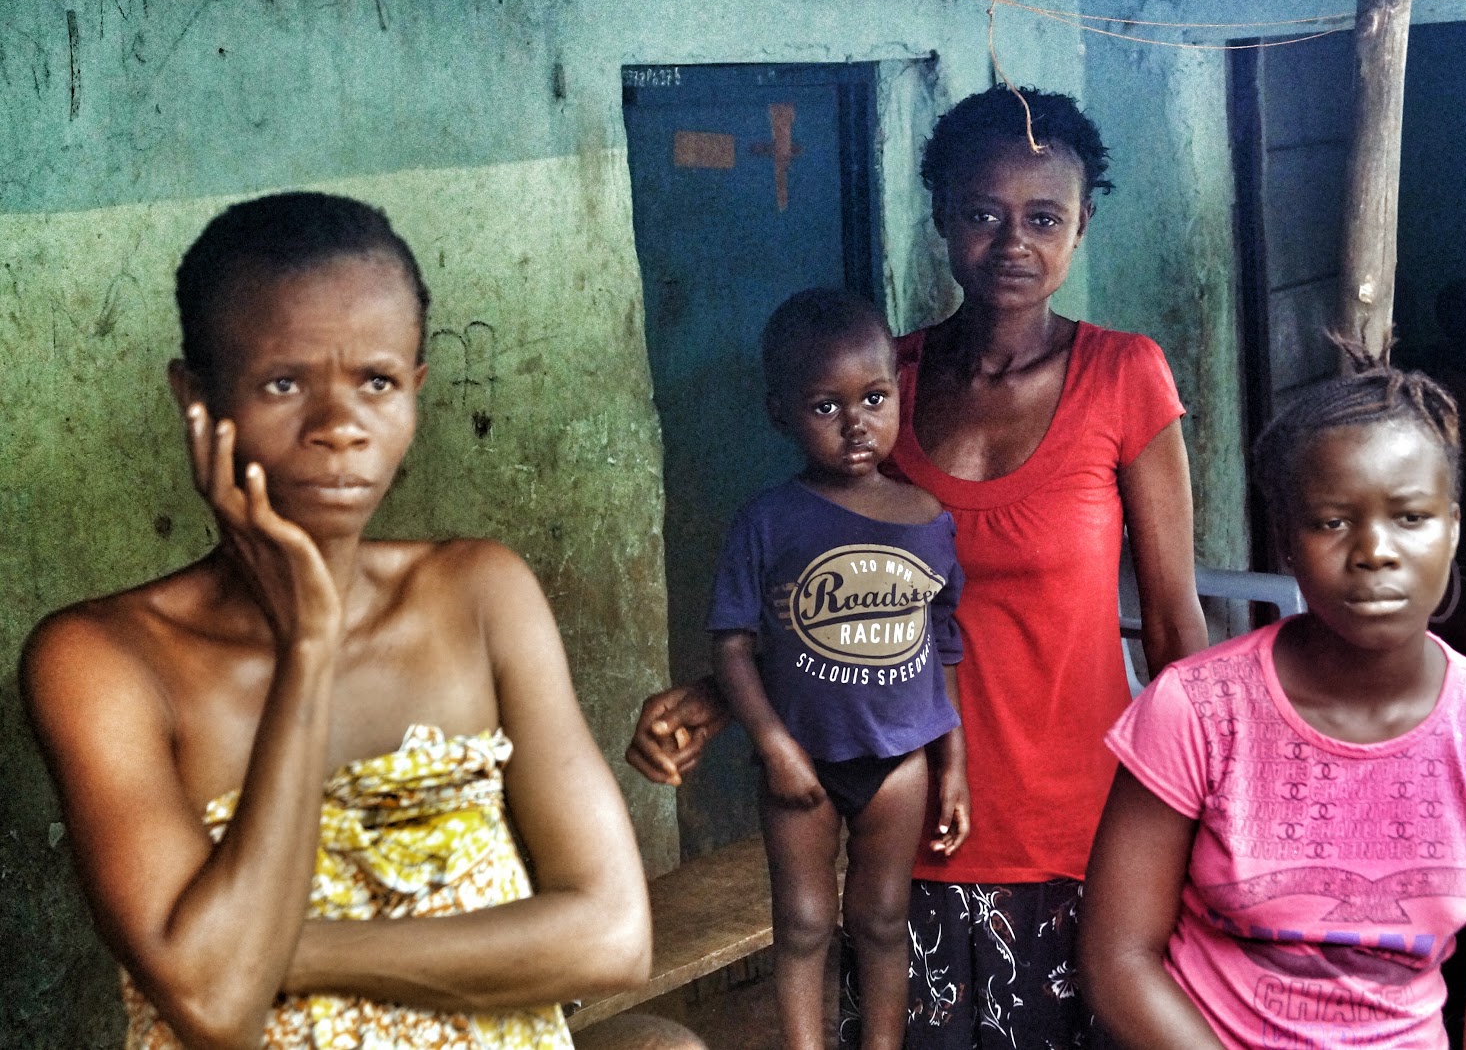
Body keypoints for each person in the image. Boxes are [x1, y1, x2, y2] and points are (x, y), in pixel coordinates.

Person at [630, 86, 1210, 1048]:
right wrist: (717, 695)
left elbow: (1174, 623)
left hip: (1083, 828)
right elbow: (828, 589)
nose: (1011, 242)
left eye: (1043, 218)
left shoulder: (1124, 373)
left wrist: (1217, 806)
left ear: (1083, 225)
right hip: (908, 816)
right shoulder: (873, 386)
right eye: (982, 214)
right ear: (941, 216)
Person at [21, 192, 652, 1049]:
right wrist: (306, 651)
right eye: (284, 383)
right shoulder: (102, 660)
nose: (339, 428)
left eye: (378, 383)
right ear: (195, 398)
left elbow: (612, 936)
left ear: (416, 394)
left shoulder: (479, 594)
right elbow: (215, 1008)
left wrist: (284, 953)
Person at [1081, 339, 1466, 1049]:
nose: (1375, 550)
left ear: (1454, 527)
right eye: (1333, 522)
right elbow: (1118, 959)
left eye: (1410, 517)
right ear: (1286, 540)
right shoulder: (1197, 711)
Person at [711, 288, 970, 1050]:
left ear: (898, 396)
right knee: (802, 924)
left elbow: (942, 648)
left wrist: (951, 762)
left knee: (883, 921)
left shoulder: (929, 519)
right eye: (826, 406)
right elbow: (730, 644)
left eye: (874, 398)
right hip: (802, 765)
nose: (856, 424)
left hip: (900, 762)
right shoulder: (767, 520)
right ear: (780, 414)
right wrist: (775, 747)